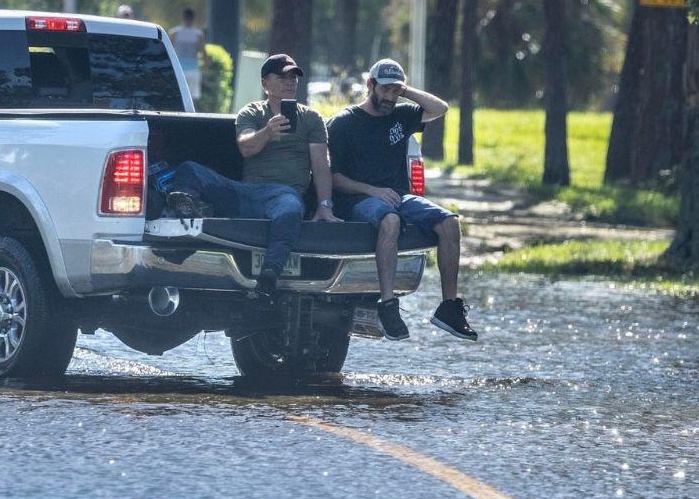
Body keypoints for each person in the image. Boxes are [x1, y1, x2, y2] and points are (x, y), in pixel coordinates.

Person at [327, 58, 476, 343]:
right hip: (359, 200)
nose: (390, 97)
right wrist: (371, 190)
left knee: (450, 223)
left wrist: (405, 90)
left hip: (399, 197)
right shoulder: (344, 123)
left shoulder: (401, 115)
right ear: (370, 85)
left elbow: (440, 109)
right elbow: (333, 178)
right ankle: (388, 305)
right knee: (390, 219)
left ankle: (449, 308)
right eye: (385, 90)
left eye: (396, 91)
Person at [167, 54, 339, 298]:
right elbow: (245, 146)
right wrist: (268, 131)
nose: (290, 82)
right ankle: (186, 210)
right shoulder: (252, 112)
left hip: (283, 195)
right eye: (282, 77)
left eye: (293, 77)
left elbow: (321, 165)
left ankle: (270, 273)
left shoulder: (311, 118)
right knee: (190, 169)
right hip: (245, 193)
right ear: (265, 83)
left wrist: (324, 205)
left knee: (291, 209)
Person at [169, 7, 206, 101]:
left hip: (178, 71)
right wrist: (204, 72)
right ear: (193, 19)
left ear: (183, 17)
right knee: (193, 100)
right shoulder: (199, 35)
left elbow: (169, 52)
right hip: (193, 70)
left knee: (178, 98)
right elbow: (204, 55)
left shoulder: (174, 33)